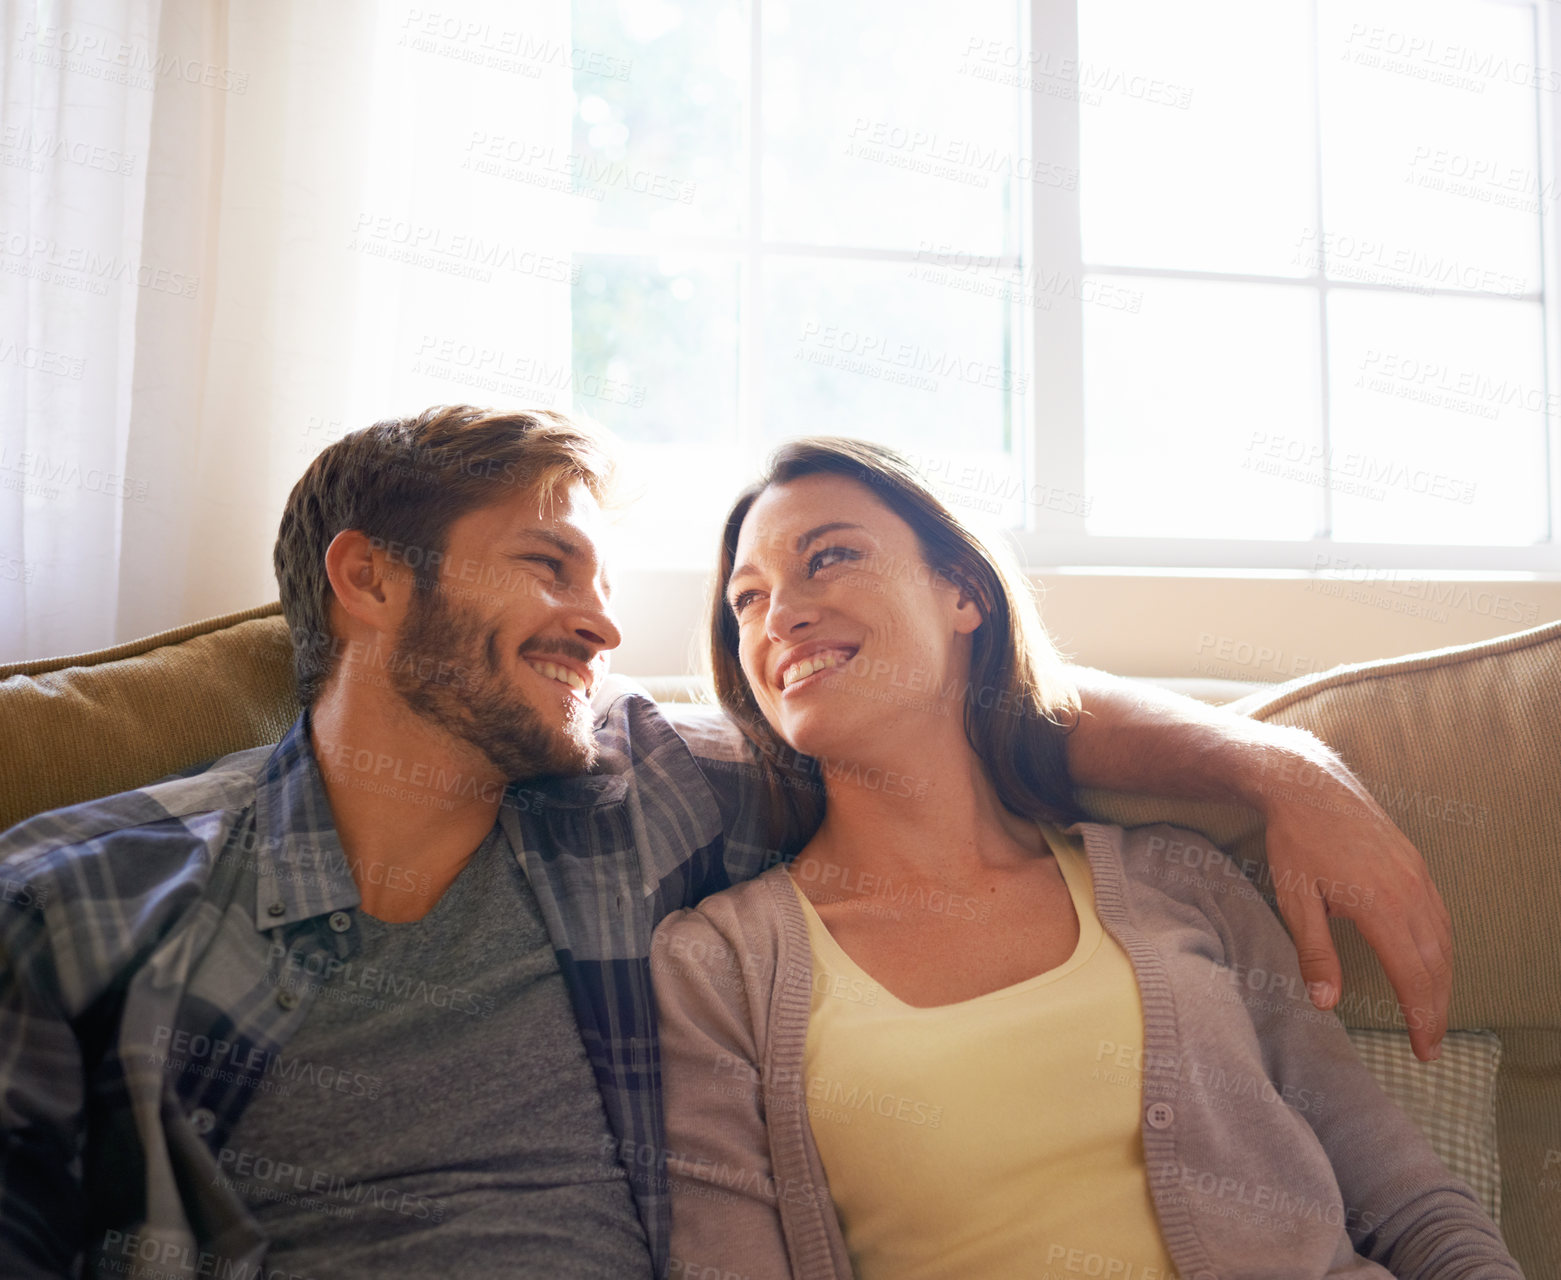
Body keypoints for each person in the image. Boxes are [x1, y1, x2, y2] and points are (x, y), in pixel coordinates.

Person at [0, 406, 1453, 1280]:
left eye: (609, 579)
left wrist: (1268, 760)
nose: (606, 621)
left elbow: (973, 720)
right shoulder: (87, 899)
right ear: (368, 583)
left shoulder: (651, 791)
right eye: (548, 563)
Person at [651, 437, 1518, 1279]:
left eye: (830, 557)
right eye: (746, 600)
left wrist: (1286, 773)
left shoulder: (1180, 880)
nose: (781, 614)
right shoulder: (715, 969)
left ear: (963, 593)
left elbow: (1408, 1208)